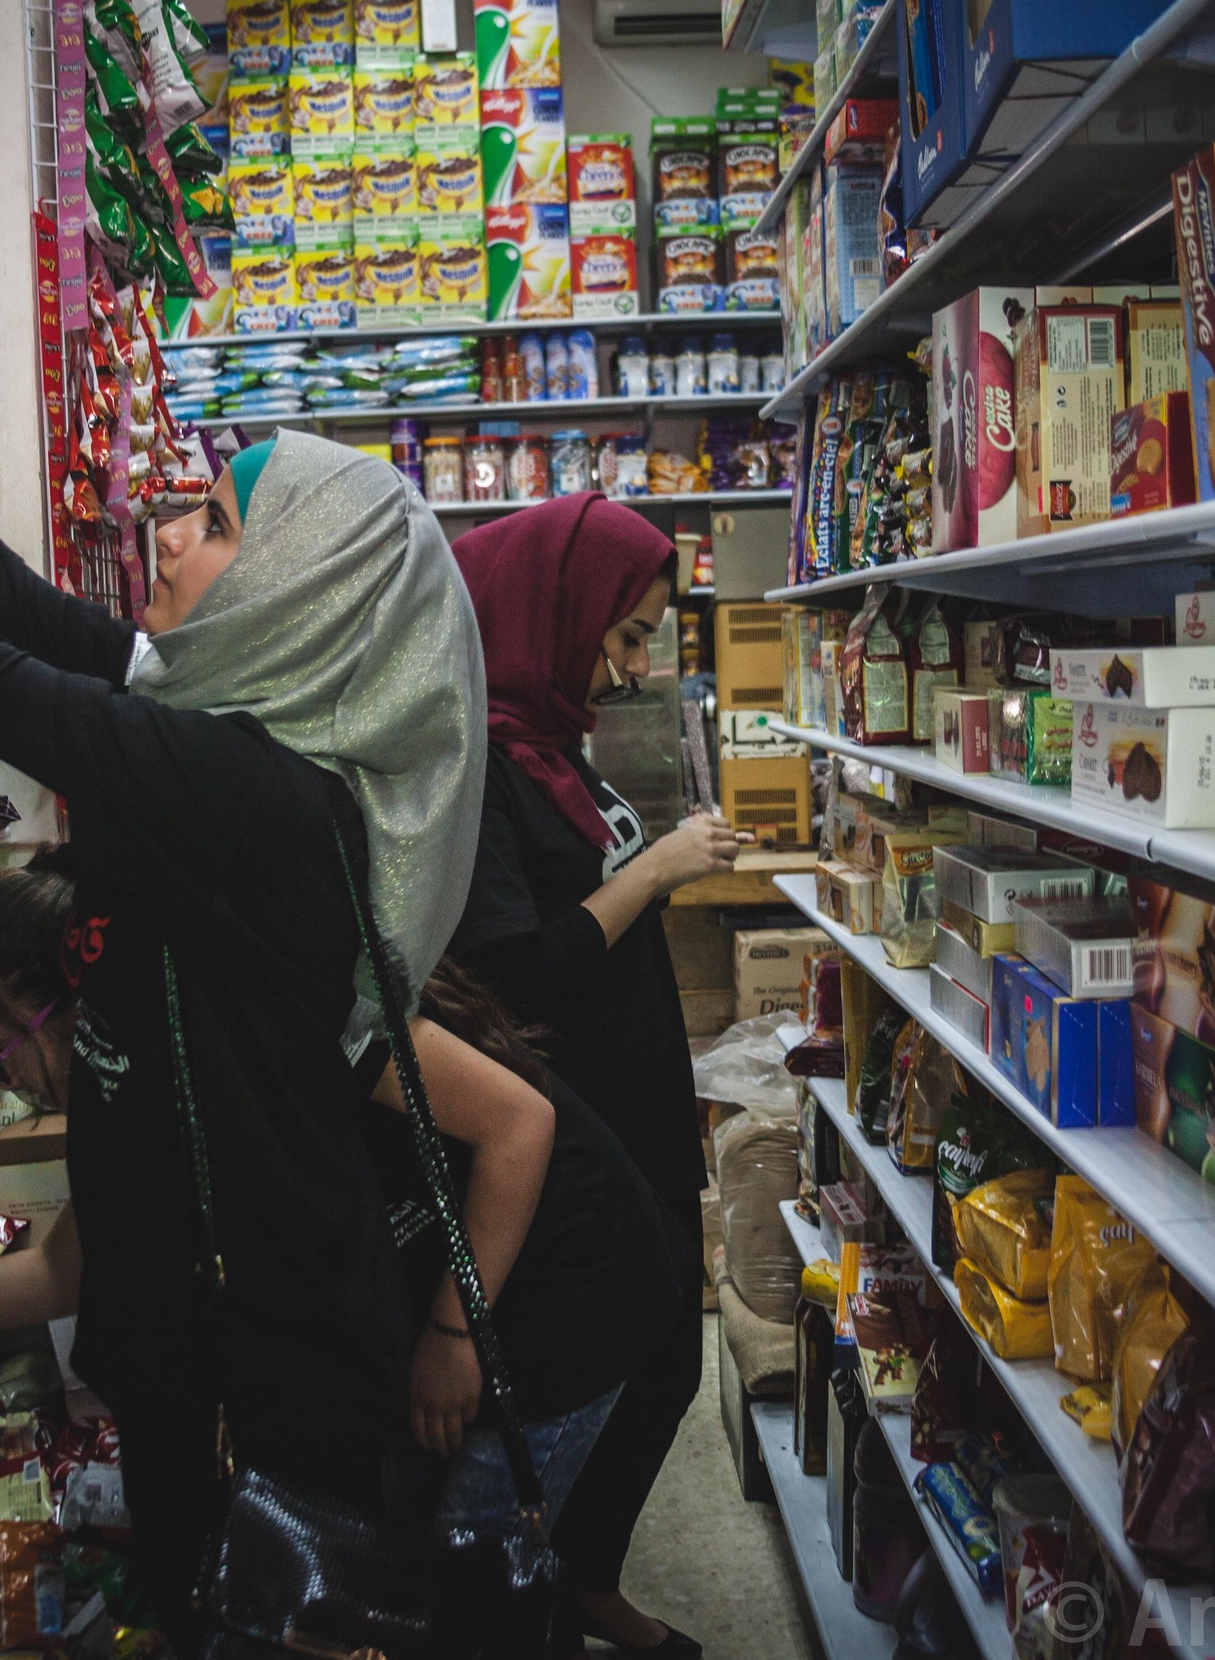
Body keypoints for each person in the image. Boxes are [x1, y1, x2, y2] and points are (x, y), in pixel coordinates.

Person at [0, 338, 513, 1636]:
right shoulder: (211, 706)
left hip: (271, 1355)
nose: (170, 531)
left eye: (216, 520)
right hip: (198, 1324)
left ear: (301, 591)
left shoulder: (245, 784)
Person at [0, 863, 676, 1617]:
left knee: (465, 1586)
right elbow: (62, 1271)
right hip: (476, 1275)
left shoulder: (272, 1013)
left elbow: (520, 1124)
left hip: (572, 1273)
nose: (7, 1081)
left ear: (59, 1005)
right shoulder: (133, 1072)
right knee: (432, 1581)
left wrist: (453, 1333)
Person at [449, 494, 745, 1659]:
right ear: (547, 610)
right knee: (624, 1356)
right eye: (621, 636)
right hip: (578, 1133)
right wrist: (658, 867)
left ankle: (581, 1577)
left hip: (636, 1116)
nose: (628, 669)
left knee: (667, 1356)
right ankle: (545, 1591)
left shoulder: (547, 739)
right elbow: (517, 969)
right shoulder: (482, 764)